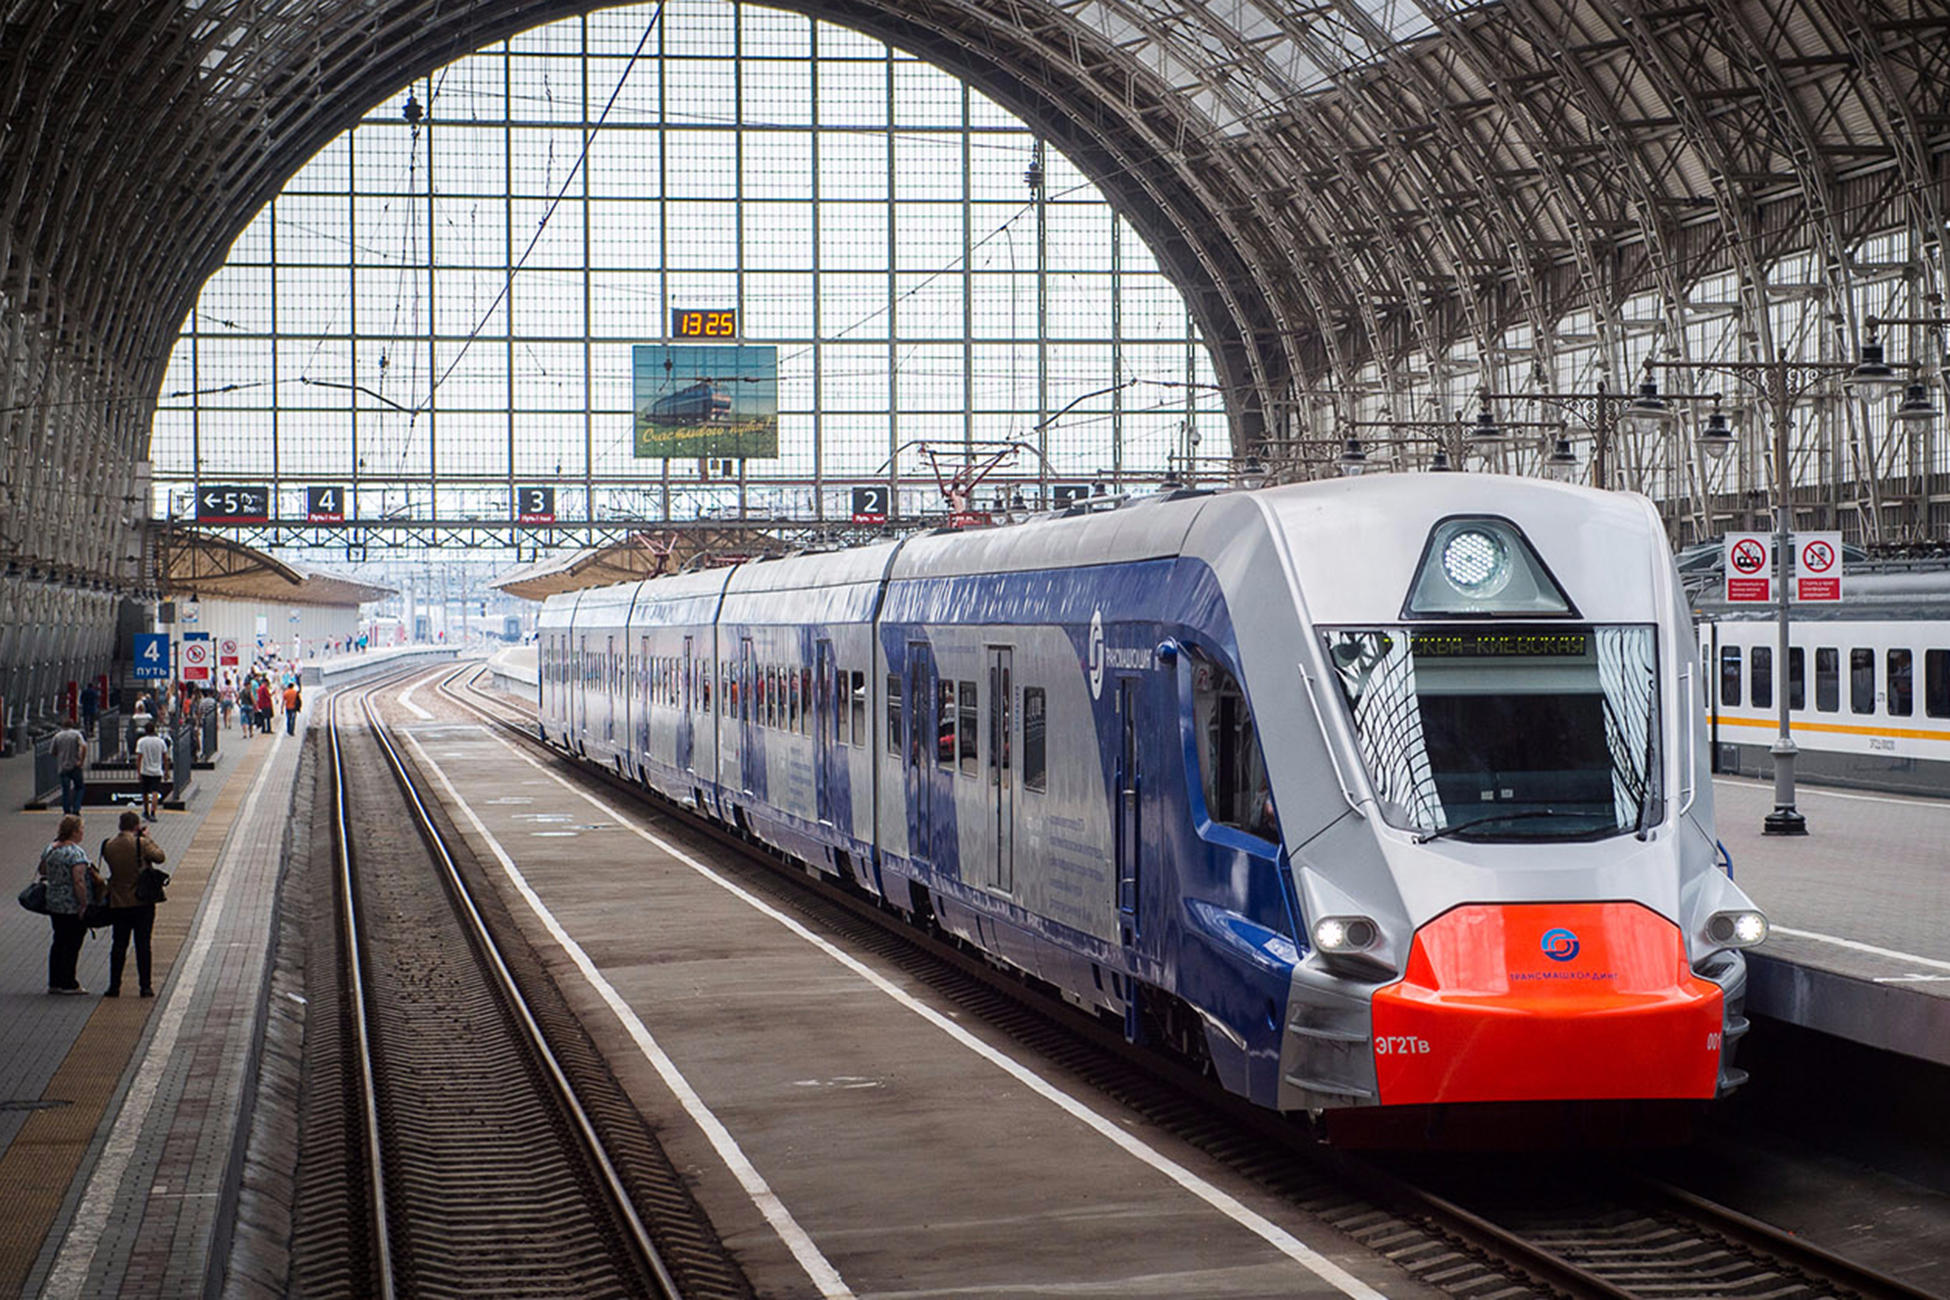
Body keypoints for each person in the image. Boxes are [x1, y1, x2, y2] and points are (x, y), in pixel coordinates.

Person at [100, 810, 164, 998]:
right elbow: (160, 857)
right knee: (143, 944)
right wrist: (147, 839)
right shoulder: (141, 844)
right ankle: (145, 986)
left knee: (119, 944)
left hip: (118, 902)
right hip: (141, 901)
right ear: (136, 826)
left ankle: (114, 986)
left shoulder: (108, 845)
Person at [39, 814, 92, 994]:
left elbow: (43, 869)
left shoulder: (51, 849)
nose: (83, 832)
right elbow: (78, 881)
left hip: (53, 901)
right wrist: (83, 904)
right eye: (82, 829)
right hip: (70, 904)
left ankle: (54, 981)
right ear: (75, 832)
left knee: (58, 940)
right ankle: (69, 982)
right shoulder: (76, 853)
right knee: (73, 942)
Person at [51, 716, 88, 815]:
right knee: (79, 788)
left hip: (63, 767)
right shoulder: (76, 734)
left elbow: (53, 752)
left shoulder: (57, 736)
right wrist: (81, 761)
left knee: (65, 790)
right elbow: (84, 746)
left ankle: (66, 810)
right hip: (75, 765)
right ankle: (76, 808)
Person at [135, 721, 168, 822]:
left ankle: (146, 811)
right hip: (157, 771)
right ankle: (153, 812)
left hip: (145, 771)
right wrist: (166, 770)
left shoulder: (141, 742)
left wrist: (138, 771)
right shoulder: (160, 742)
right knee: (155, 792)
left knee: (145, 792)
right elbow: (165, 757)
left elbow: (139, 758)